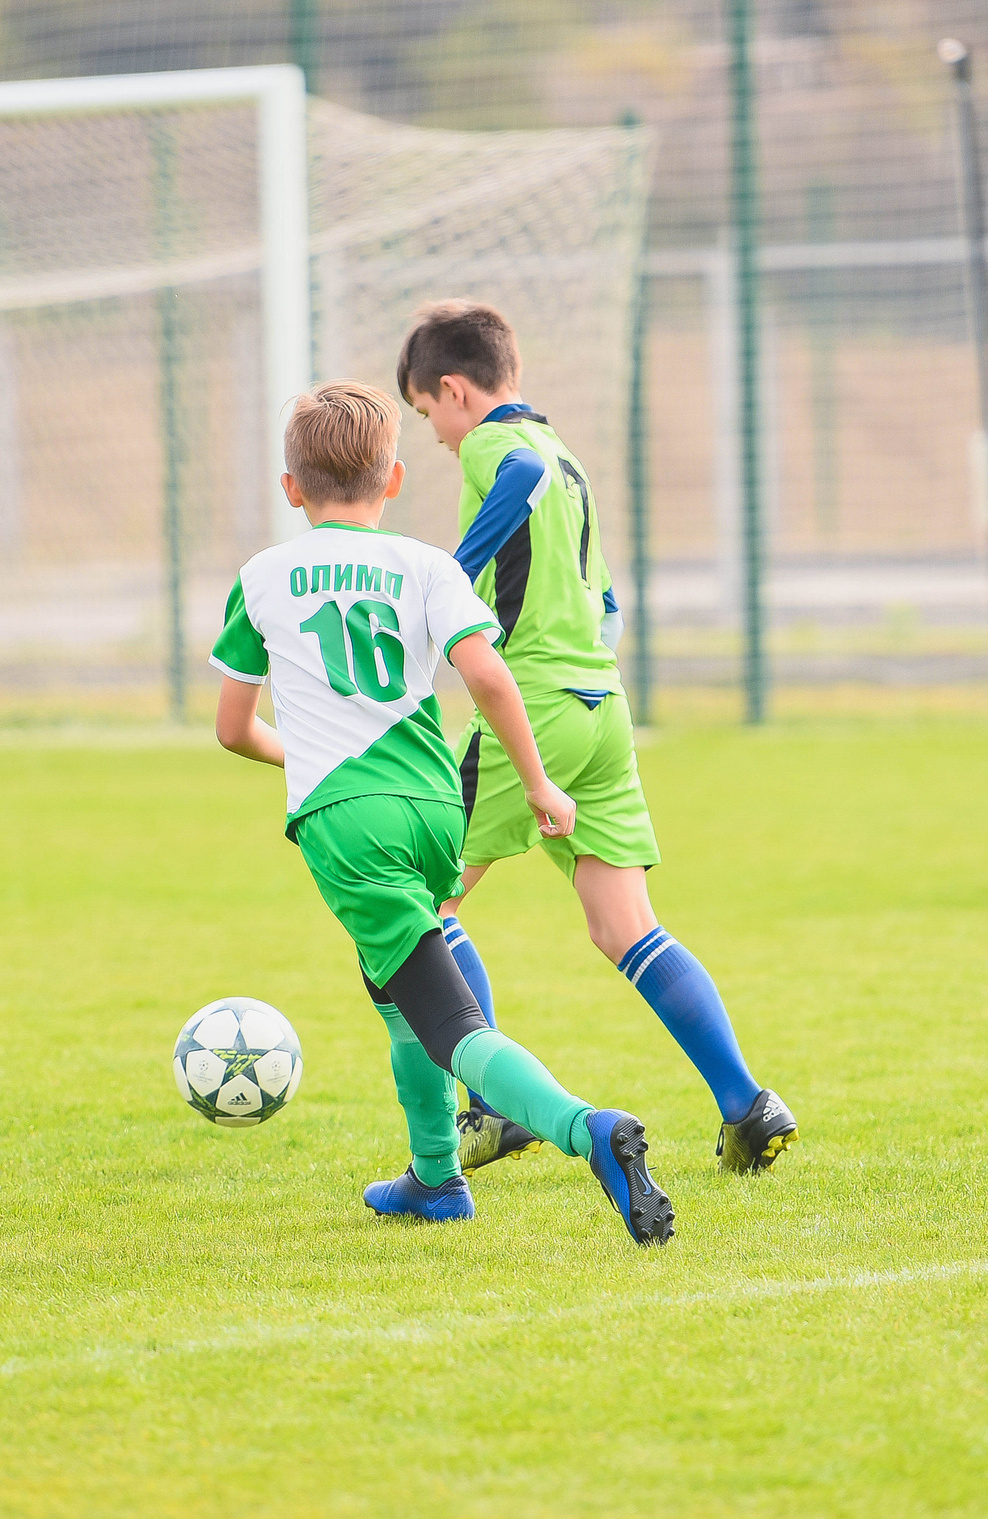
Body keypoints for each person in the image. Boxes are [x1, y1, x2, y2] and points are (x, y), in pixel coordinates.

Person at [209, 380, 674, 1245]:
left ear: (291, 488)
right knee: (393, 991)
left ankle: (590, 1129)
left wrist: (308, 762)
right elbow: (488, 675)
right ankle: (435, 1178)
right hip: (433, 809)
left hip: (350, 821)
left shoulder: (261, 577)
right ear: (392, 479)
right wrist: (538, 784)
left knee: (450, 1025)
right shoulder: (428, 565)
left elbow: (233, 728)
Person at [396, 300, 795, 1178]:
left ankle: (493, 1108)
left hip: (530, 709)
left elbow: (515, 481)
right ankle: (747, 1104)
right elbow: (608, 603)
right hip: (601, 706)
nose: (437, 437)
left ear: (454, 390)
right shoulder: (565, 453)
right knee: (625, 926)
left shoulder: (502, 448)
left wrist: (450, 580)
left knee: (421, 907)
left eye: (427, 415)